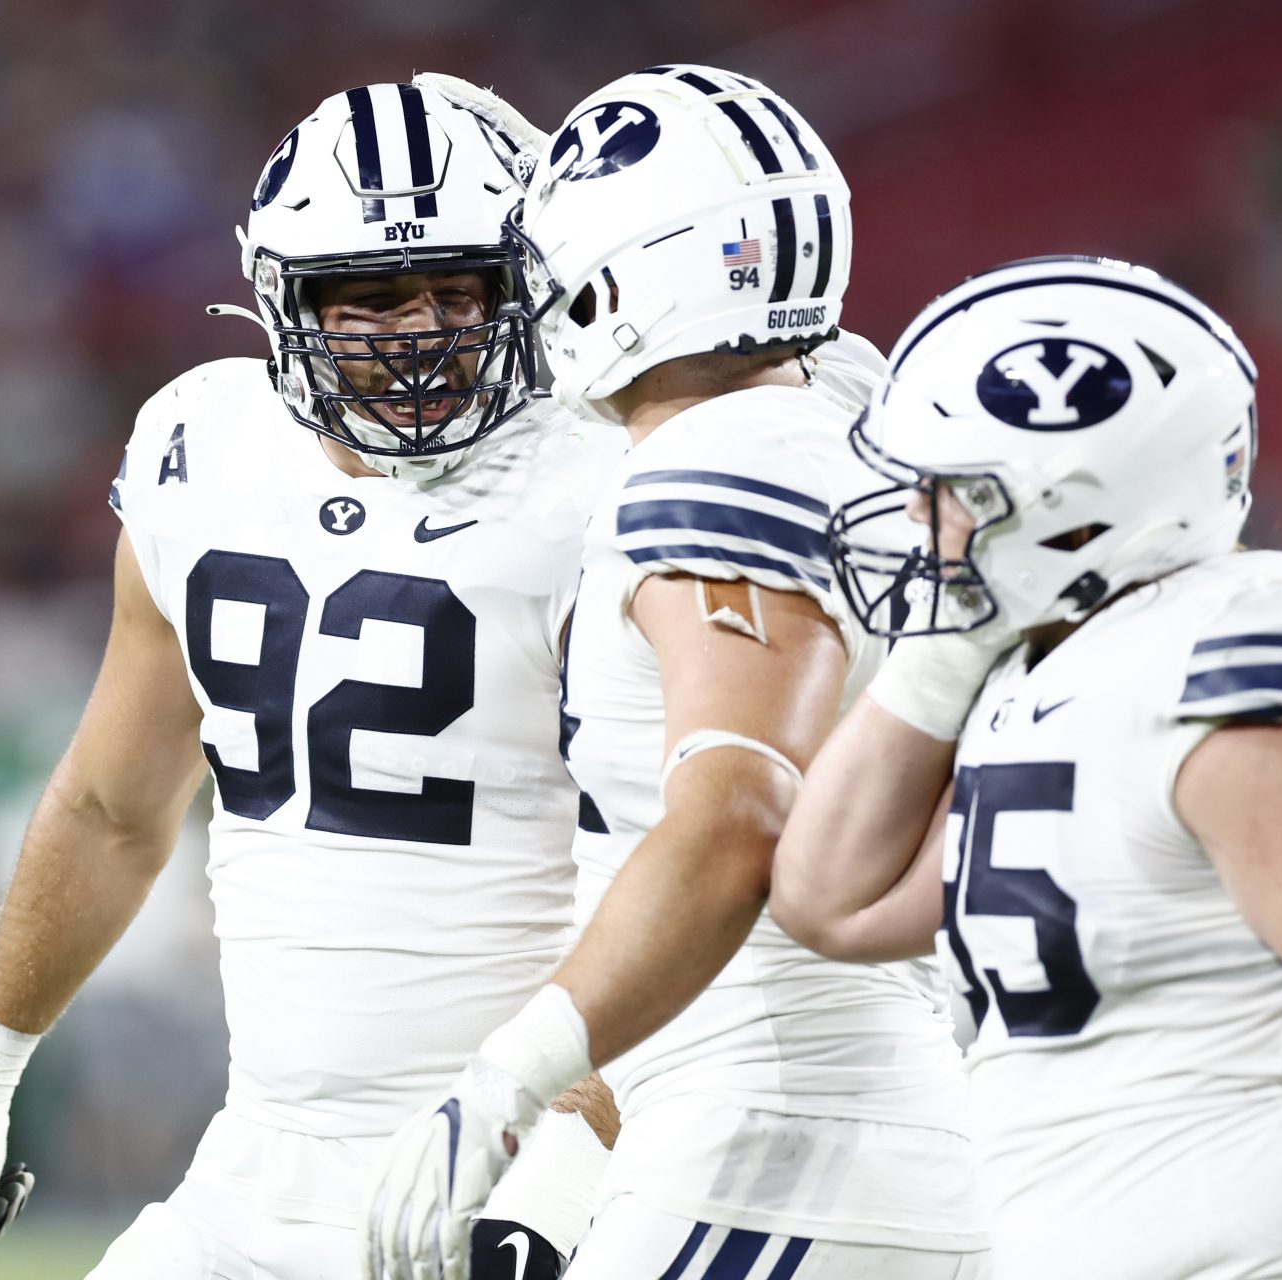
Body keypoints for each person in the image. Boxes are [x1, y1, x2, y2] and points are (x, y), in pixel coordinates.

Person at [0, 76, 624, 1279]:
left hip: (518, 1149)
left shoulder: (606, 486)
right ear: (279, 296)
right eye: (375, 296)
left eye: (461, 287)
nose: (422, 332)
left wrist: (577, 1158)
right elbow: (112, 804)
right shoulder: (204, 443)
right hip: (263, 1158)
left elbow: (705, 868)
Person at [769, 255, 1282, 1279]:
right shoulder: (1045, 680)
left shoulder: (1230, 645)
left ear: (1069, 502)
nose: (916, 519)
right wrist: (946, 651)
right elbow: (830, 899)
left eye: (950, 488)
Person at [361, 65, 990, 1280]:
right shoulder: (848, 418)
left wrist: (506, 1079)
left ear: (624, 281)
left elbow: (737, 819)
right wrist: (567, 1157)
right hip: (815, 1127)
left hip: (783, 1135)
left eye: (550, 271)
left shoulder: (720, 463)